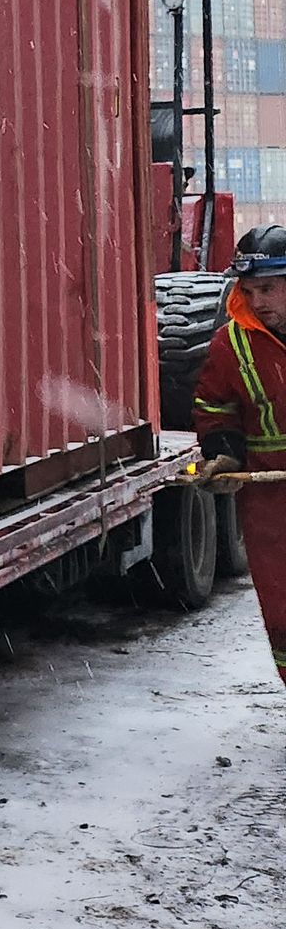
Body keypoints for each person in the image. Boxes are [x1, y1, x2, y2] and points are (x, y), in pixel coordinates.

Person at [193, 223, 286, 685]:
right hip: (269, 504)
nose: (257, 301)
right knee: (283, 612)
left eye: (268, 289)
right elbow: (214, 407)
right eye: (249, 291)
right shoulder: (231, 343)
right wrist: (225, 454)